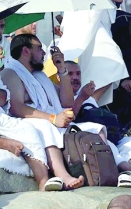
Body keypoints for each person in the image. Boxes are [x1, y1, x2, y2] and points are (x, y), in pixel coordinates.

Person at [0, 34, 83, 191]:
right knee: (44, 126)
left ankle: (122, 167)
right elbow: (16, 107)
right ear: (26, 51)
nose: (44, 53)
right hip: (29, 121)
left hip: (55, 120)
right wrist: (52, 118)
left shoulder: (40, 76)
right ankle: (62, 175)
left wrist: (62, 70)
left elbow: (66, 102)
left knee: (93, 128)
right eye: (39, 48)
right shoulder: (10, 73)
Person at [58, 0, 129, 108]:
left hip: (97, 23)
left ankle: (87, 104)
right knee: (113, 61)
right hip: (87, 22)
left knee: (103, 66)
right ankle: (87, 104)